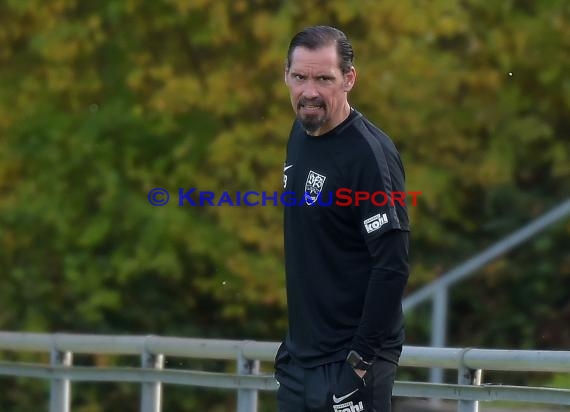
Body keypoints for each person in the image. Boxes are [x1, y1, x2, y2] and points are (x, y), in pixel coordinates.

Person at [275, 26, 411, 412]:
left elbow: (392, 266)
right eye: (300, 77)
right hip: (300, 364)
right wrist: (294, 345)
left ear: (349, 79)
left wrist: (360, 362)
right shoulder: (300, 132)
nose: (309, 91)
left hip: (351, 365)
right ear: (286, 74)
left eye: (324, 78)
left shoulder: (369, 156)